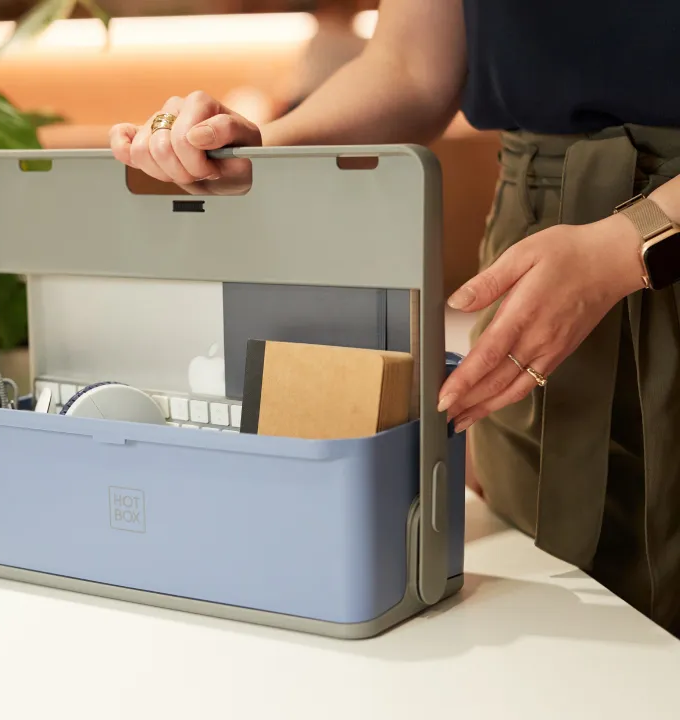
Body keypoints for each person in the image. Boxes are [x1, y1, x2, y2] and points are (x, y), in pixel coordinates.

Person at [109, 0, 680, 638]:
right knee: (554, 607)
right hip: (537, 252)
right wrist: (265, 149)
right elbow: (410, 66)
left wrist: (637, 238)